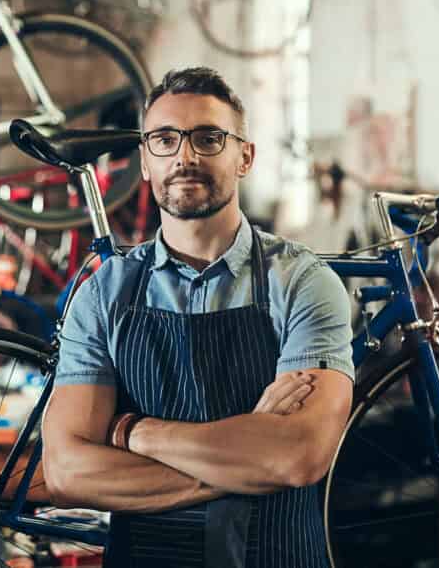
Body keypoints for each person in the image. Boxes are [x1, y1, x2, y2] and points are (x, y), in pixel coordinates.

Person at [41, 67, 353, 568]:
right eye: (165, 139)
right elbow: (67, 473)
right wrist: (251, 459)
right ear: (144, 161)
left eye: (208, 138)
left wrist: (135, 434)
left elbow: (298, 456)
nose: (185, 156)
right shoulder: (104, 295)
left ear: (244, 156)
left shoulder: (301, 283)